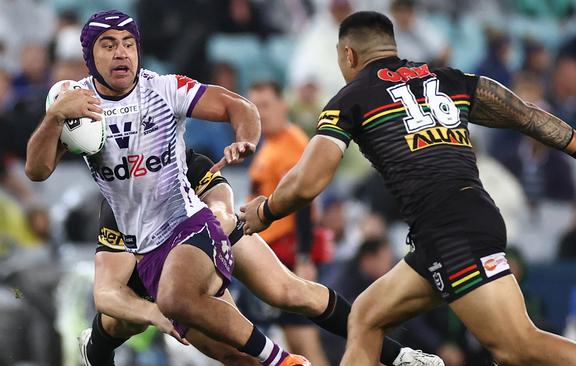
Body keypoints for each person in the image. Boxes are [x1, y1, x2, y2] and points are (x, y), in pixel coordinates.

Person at [240, 11, 576, 365]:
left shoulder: (352, 98)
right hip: (456, 223)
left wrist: (267, 210)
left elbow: (308, 182)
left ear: (348, 55)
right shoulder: (450, 79)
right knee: (365, 315)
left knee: (516, 348)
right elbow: (524, 113)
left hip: (451, 229)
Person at [25, 10, 308, 366]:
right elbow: (36, 171)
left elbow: (237, 113)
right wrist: (53, 118)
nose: (121, 53)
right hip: (148, 250)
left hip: (194, 228)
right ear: (90, 57)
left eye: (128, 44)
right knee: (212, 348)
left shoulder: (165, 93)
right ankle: (97, 347)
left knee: (280, 294)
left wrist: (244, 145)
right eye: (109, 45)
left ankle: (293, 360)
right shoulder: (80, 108)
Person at [86, 149, 441, 366]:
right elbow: (106, 292)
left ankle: (400, 357)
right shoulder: (119, 206)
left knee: (290, 291)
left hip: (205, 238)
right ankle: (97, 349)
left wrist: (221, 216)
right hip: (154, 280)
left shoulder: (184, 160)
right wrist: (153, 313)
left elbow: (221, 200)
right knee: (231, 354)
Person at [247, 81, 330, 365]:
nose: (261, 113)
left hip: (288, 255)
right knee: (290, 342)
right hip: (271, 254)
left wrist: (304, 256)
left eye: (266, 105)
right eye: (255, 107)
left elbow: (302, 199)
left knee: (302, 341)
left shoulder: (292, 142)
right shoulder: (269, 144)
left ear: (283, 104)